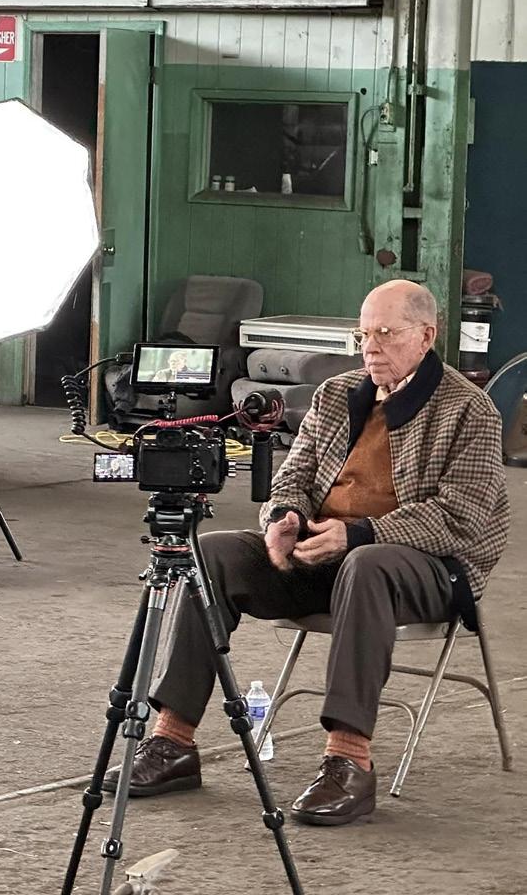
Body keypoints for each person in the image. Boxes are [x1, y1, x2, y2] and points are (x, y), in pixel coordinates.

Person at [103, 279, 509, 825]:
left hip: (428, 569)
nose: (370, 348)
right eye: (363, 335)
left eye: (386, 333)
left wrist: (359, 535)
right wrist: (284, 519)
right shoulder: (337, 394)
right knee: (213, 554)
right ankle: (173, 742)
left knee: (367, 564)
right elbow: (291, 478)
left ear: (426, 336)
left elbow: (461, 517)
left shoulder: (469, 409)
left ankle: (349, 761)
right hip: (326, 555)